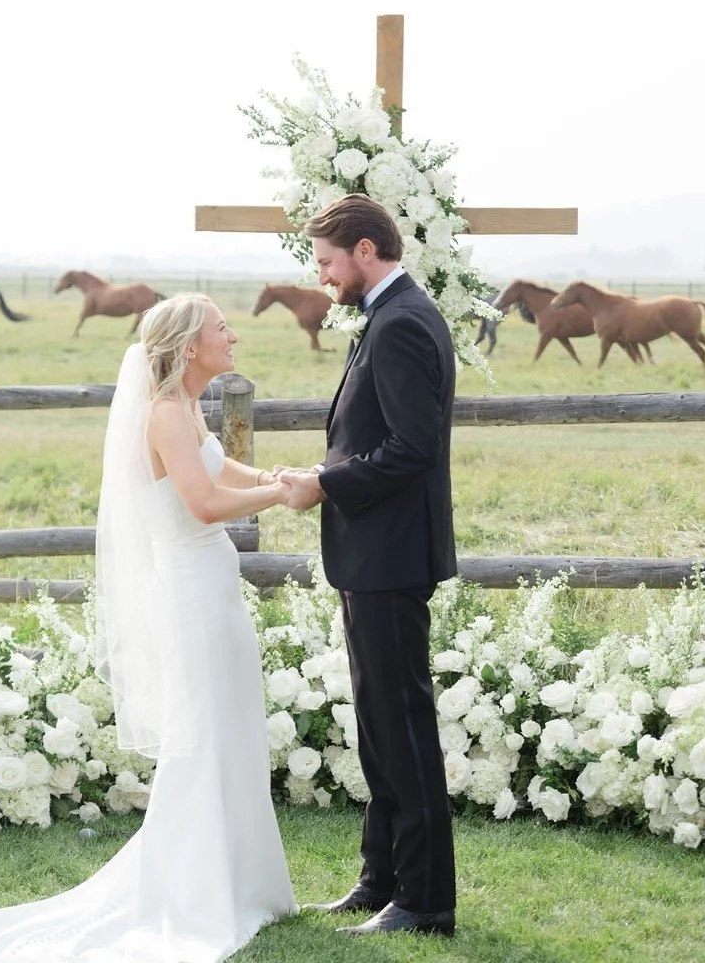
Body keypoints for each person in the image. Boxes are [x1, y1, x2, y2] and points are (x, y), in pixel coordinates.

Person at [0, 292, 297, 963]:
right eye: (223, 328)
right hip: (191, 594)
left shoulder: (190, 406)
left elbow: (219, 467)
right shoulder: (165, 412)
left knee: (231, 727)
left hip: (215, 587)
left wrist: (277, 474)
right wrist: (280, 495)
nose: (234, 336)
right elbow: (202, 502)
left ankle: (240, 883)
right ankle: (194, 894)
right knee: (202, 736)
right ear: (191, 346)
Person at [278, 194, 458, 937]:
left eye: (326, 261)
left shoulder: (403, 322)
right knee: (380, 725)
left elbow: (413, 447)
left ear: (363, 250)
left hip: (390, 555)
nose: (321, 276)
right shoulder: (388, 314)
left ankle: (424, 900)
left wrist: (326, 483)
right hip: (372, 554)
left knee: (402, 728)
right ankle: (381, 880)